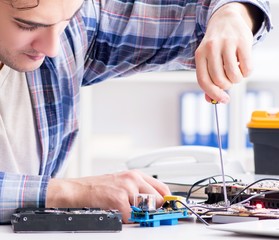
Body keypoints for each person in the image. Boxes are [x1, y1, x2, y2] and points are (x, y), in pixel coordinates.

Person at [0, 0, 272, 224]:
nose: (53, 48)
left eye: (64, 21)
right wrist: (69, 192)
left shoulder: (79, 23)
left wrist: (231, 15)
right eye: (28, 25)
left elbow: (194, 17)